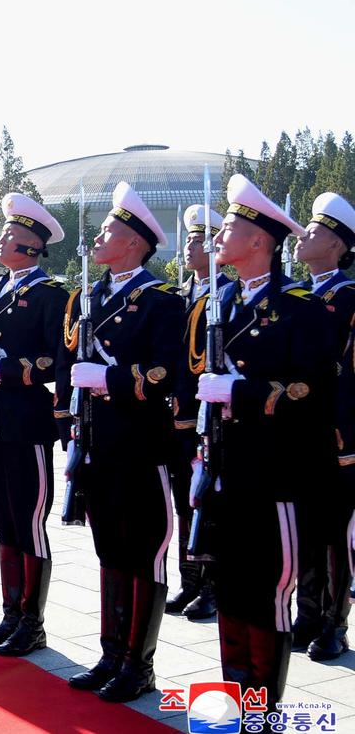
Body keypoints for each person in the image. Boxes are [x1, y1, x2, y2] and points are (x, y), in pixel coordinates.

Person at [189, 175, 334, 710]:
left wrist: (243, 392)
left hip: (277, 473)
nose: (217, 237)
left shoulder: (301, 306)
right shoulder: (220, 300)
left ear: (260, 241)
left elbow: (313, 391)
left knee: (267, 593)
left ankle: (262, 711)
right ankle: (233, 702)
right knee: (230, 588)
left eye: (229, 227)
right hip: (225, 466)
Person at [64, 183, 181, 702]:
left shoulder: (159, 301)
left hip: (139, 443)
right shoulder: (92, 296)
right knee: (109, 550)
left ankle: (139, 662)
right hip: (98, 442)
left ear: (134, 242)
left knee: (141, 552)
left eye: (109, 231)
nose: (98, 238)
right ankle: (112, 652)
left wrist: (105, 381)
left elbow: (163, 372)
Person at [0, 193, 70, 656]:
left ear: (31, 246)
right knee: (3, 521)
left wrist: (6, 370)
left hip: (28, 421)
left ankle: (32, 621)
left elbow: (57, 361)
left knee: (28, 521)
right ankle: (10, 613)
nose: (1, 239)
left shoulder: (52, 295)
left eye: (10, 235)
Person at [290, 191, 355, 661]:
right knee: (305, 529)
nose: (301, 238)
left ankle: (335, 623)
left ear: (336, 246)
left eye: (313, 232)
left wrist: (345, 431)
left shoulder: (348, 298)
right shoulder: (298, 297)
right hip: (298, 434)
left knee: (334, 534)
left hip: (334, 435)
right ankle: (307, 613)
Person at [166, 205, 229, 621]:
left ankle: (213, 586)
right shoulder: (176, 296)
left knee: (208, 501)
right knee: (181, 502)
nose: (189, 246)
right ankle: (189, 580)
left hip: (208, 417)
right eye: (187, 238)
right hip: (174, 418)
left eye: (197, 239)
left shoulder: (226, 295)